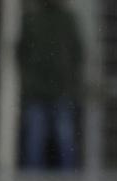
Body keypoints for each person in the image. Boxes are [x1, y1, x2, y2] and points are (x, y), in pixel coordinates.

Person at [17, 0, 83, 170]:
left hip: (59, 90)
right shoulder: (31, 19)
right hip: (39, 91)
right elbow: (20, 53)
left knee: (62, 140)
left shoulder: (66, 20)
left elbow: (78, 53)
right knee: (36, 141)